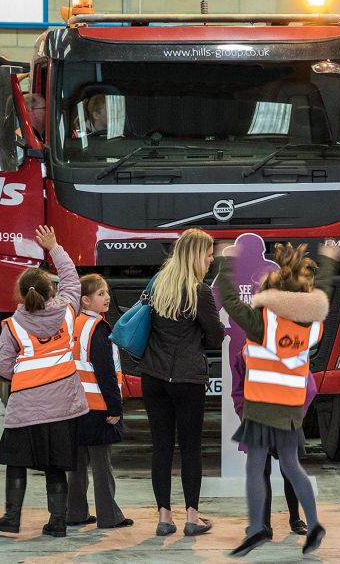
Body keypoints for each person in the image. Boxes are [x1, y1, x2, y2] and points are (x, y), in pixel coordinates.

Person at [220, 241, 340, 557]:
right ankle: (313, 523)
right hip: (289, 410)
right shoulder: (311, 325)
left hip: (261, 408)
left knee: (255, 468)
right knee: (292, 466)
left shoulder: (262, 323)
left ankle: (258, 528)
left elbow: (231, 303)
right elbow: (323, 297)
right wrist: (328, 262)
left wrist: (226, 264)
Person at [0, 225, 89, 538]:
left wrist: (25, 371)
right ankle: (57, 523)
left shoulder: (14, 325)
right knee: (56, 465)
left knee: (16, 462)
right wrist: (54, 246)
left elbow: (3, 364)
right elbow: (72, 279)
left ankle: (11, 517)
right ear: (51, 291)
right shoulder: (68, 310)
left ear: (22, 294)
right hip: (62, 407)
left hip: (25, 408)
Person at [135, 228, 224, 537]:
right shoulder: (199, 292)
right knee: (190, 448)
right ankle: (191, 518)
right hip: (187, 378)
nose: (212, 259)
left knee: (161, 447)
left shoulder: (157, 286)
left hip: (153, 377)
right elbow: (215, 337)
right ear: (195, 256)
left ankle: (163, 517)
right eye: (209, 253)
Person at [66, 274, 131, 529]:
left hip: (75, 406)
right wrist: (115, 407)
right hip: (98, 407)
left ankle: (75, 513)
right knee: (102, 467)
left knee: (78, 464)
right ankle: (109, 516)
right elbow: (105, 372)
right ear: (85, 299)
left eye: (106, 292)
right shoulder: (99, 329)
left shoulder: (75, 325)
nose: (107, 298)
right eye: (100, 294)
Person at [231, 350, 311, 537]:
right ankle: (288, 521)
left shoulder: (246, 352)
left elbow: (238, 390)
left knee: (267, 471)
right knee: (285, 470)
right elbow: (309, 385)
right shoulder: (247, 353)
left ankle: (269, 523)